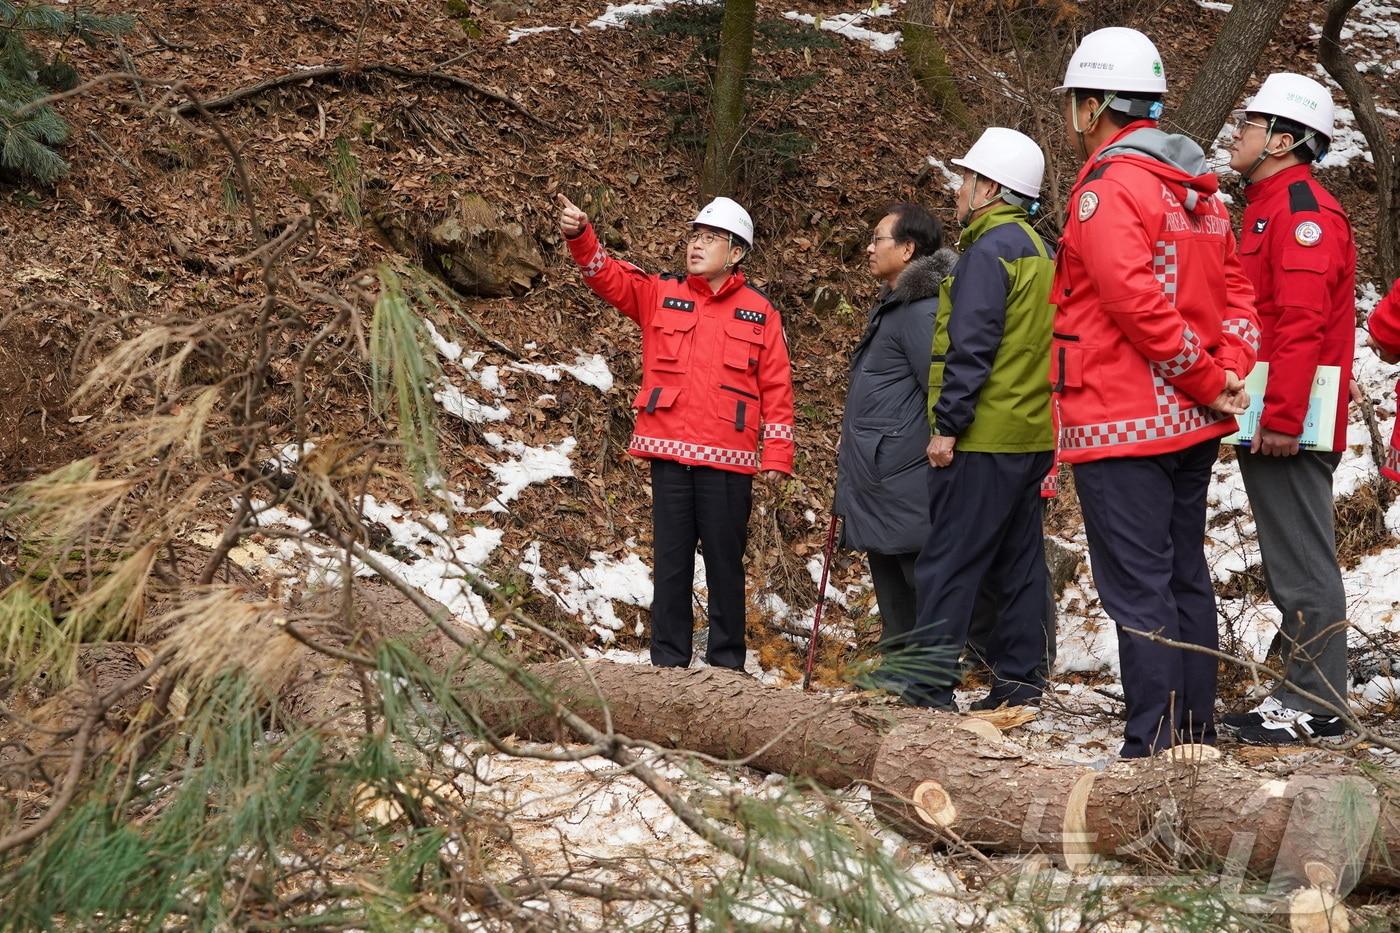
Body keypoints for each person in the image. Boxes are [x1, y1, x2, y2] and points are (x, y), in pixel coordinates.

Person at [1051, 27, 1260, 758]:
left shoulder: (1111, 189)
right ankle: (1194, 734)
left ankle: (1155, 745)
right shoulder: (1201, 191)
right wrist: (1228, 368)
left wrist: (1208, 374)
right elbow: (1238, 294)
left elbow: (1134, 302)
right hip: (1193, 419)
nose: (1071, 119)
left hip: (1123, 417)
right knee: (1182, 576)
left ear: (1094, 105)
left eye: (1076, 103)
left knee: (1140, 589)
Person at [556, 193, 796, 670]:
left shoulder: (760, 311)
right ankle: (667, 665)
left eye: (711, 238)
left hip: (728, 458)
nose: (697, 245)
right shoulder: (660, 292)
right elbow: (608, 277)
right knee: (671, 564)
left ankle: (727, 666)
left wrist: (777, 456)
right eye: (695, 236)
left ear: (737, 253)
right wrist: (580, 236)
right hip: (670, 455)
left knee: (726, 566)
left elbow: (777, 385)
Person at [895, 127, 1057, 711]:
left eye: (967, 179)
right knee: (1018, 563)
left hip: (983, 435)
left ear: (991, 187)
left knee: (949, 561)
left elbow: (972, 346)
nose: (959, 189)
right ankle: (1020, 684)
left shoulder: (988, 252)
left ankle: (929, 688)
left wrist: (948, 426)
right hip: (1030, 434)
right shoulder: (1039, 251)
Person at [1221, 73, 1356, 745]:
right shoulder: (1269, 204)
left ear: (1282, 139)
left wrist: (1280, 415)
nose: (1237, 136)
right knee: (1287, 563)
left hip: (1291, 421)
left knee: (1303, 563)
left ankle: (1319, 702)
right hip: (1271, 414)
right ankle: (1298, 691)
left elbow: (1301, 323)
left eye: (1249, 126)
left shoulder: (1304, 212)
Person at [834, 203, 958, 650]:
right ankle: (900, 666)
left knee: (914, 576)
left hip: (905, 470)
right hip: (881, 470)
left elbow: (942, 386)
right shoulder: (895, 306)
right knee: (889, 577)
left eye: (878, 239)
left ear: (907, 249)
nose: (869, 248)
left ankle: (924, 674)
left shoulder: (921, 311)